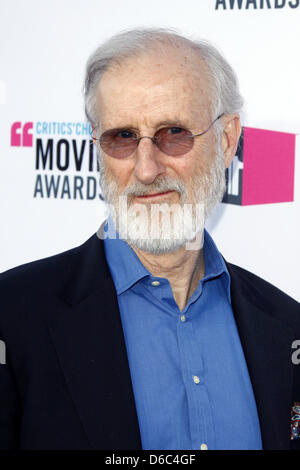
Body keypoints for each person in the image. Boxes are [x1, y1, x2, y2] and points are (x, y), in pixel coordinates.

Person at [0, 28, 299, 451]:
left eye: (173, 133)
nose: (145, 169)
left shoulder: (287, 327)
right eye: (122, 137)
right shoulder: (12, 317)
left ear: (227, 140)